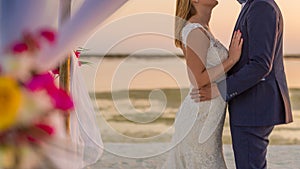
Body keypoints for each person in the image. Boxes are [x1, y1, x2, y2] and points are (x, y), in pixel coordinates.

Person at [191, 0, 293, 168]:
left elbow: (260, 65)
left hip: (254, 108)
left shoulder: (261, 6)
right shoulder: (254, 5)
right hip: (252, 107)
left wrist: (221, 89)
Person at [162, 0, 243, 168]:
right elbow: (197, 79)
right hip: (199, 119)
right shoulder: (194, 31)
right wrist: (232, 59)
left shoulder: (203, 28)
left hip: (208, 116)